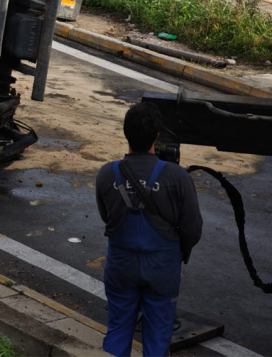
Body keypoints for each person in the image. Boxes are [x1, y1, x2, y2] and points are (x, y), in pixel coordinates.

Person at [96, 103, 203, 357]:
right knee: (157, 337)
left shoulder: (107, 174)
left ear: (126, 133)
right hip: (162, 267)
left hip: (121, 265)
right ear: (157, 135)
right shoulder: (177, 177)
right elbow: (193, 229)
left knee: (118, 330)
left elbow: (107, 217)